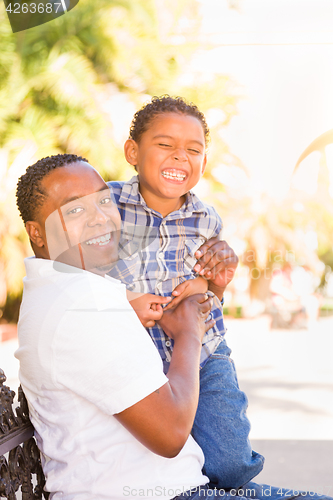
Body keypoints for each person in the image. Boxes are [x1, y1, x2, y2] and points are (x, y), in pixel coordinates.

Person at [15, 155, 332, 500]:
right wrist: (188, 334)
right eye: (75, 211)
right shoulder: (81, 303)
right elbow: (170, 433)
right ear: (37, 233)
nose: (100, 218)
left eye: (104, 200)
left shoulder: (65, 290)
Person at [108, 95, 263, 488]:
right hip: (136, 361)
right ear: (133, 151)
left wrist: (216, 284)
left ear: (204, 163)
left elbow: (210, 293)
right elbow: (77, 280)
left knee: (231, 467)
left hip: (203, 356)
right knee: (166, 464)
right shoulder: (106, 206)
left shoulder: (207, 219)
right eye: (165, 145)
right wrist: (123, 304)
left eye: (193, 150)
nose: (180, 157)